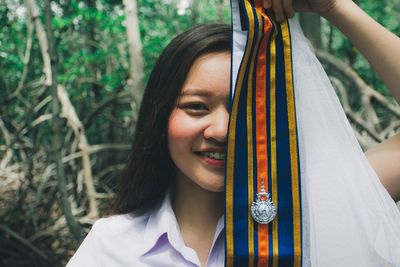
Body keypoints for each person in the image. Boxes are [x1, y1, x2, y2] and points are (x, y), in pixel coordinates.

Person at [67, 0, 400, 266]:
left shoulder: (318, 210)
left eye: (243, 110)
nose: (223, 131)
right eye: (196, 106)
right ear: (160, 117)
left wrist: (335, 7)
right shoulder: (112, 246)